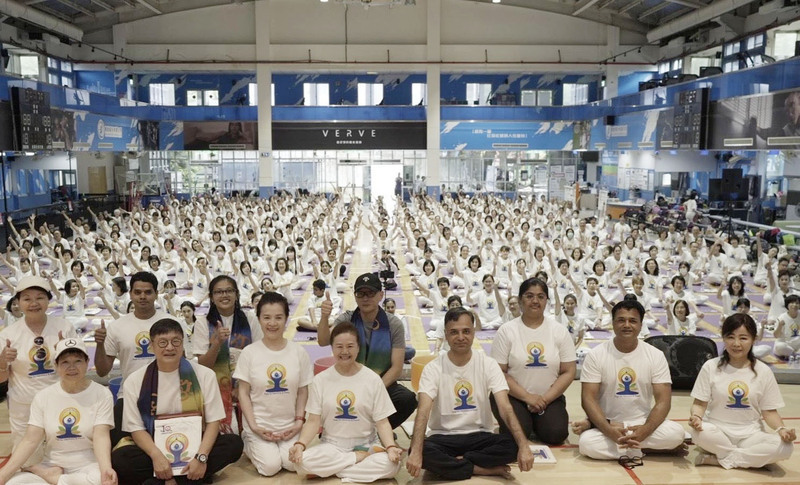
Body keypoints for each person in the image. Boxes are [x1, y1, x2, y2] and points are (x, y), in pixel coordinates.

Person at [406, 307, 534, 481]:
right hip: (443, 437)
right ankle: (479, 468)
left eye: (466, 331)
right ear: (445, 334)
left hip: (479, 435)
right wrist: (416, 452)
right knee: (419, 450)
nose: (460, 337)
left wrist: (524, 446)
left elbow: (505, 408)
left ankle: (454, 465)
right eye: (454, 332)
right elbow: (423, 412)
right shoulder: (433, 368)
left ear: (474, 332)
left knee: (514, 445)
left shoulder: (488, 364)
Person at [111, 318, 244, 485]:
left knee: (233, 444)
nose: (169, 347)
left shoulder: (204, 375)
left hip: (195, 443)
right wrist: (157, 456)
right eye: (162, 342)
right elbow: (136, 428)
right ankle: (189, 479)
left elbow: (213, 422)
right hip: (154, 445)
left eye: (175, 341)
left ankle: (166, 479)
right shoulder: (136, 380)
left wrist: (201, 457)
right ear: (151, 346)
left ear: (183, 345)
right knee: (121, 459)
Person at [288, 322, 402, 482]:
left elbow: (382, 422)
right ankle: (356, 460)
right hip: (332, 446)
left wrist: (390, 447)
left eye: (350, 346)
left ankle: (334, 470)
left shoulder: (372, 379)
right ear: (332, 348)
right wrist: (300, 445)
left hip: (366, 444)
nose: (345, 352)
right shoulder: (321, 380)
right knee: (301, 463)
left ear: (358, 347)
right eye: (339, 347)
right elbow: (313, 421)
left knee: (392, 465)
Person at [577, 299, 685, 460]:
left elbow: (663, 401)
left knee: (676, 433)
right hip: (610, 424)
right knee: (587, 444)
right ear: (612, 324)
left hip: (642, 423)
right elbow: (588, 399)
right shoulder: (596, 355)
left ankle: (628, 447)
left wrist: (645, 430)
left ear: (641, 325)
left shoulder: (655, 355)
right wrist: (608, 430)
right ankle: (646, 449)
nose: (627, 325)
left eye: (633, 321)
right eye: (621, 320)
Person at [0, 338, 116, 485]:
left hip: (88, 465)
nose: (72, 367)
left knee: (98, 480)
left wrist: (106, 469)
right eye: (65, 362)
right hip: (52, 464)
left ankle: (54, 479)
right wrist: (3, 474)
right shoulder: (43, 396)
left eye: (78, 361)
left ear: (87, 363)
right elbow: (30, 440)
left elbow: (101, 436)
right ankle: (53, 476)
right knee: (14, 483)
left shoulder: (101, 393)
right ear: (56, 366)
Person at [690, 313, 795, 469]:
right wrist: (696, 417)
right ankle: (747, 458)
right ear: (723, 338)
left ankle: (721, 458)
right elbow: (699, 403)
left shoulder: (763, 371)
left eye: (743, 338)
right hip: (718, 431)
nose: (736, 343)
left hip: (751, 434)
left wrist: (782, 429)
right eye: (730, 337)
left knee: (786, 447)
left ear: (753, 339)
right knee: (698, 433)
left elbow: (770, 412)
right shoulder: (711, 366)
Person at [316, 272, 416, 429]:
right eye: (361, 294)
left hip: (381, 382)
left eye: (370, 293)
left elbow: (396, 369)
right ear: (355, 297)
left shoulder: (393, 324)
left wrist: (372, 390)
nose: (365, 298)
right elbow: (323, 341)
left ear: (380, 295)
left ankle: (377, 430)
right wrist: (324, 317)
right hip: (348, 380)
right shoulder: (347, 319)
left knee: (407, 399)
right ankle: (353, 429)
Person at [0, 276, 78, 466]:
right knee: (28, 461)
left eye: (40, 297)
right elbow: (2, 378)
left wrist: (66, 356)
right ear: (17, 302)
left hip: (60, 401)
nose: (34, 303)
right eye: (27, 298)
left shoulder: (64, 327)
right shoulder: (8, 335)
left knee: (64, 459)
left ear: (48, 300)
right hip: (24, 405)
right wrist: (2, 362)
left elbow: (79, 370)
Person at [233, 292, 312, 477]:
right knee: (270, 468)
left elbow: (302, 391)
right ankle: (248, 442)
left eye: (278, 317)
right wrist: (253, 426)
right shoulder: (249, 353)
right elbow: (243, 393)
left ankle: (277, 447)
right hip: (260, 425)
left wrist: (299, 422)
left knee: (292, 465)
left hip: (289, 426)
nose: (272, 323)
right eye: (266, 317)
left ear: (286, 319)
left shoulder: (299, 352)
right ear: (259, 319)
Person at [490, 278, 576, 445]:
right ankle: (526, 421)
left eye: (541, 296)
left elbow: (569, 371)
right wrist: (528, 397)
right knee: (518, 433)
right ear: (521, 299)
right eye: (529, 296)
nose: (535, 301)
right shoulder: (507, 331)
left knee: (556, 434)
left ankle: (537, 421)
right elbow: (499, 372)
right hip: (514, 396)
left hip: (549, 397)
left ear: (546, 301)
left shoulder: (559, 331)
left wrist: (544, 399)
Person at [193, 275, 263, 434]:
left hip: (248, 387)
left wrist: (242, 387)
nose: (224, 295)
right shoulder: (203, 323)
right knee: (228, 440)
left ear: (237, 294)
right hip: (216, 391)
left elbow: (260, 358)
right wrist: (216, 343)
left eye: (229, 291)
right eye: (218, 292)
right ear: (211, 297)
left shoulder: (251, 319)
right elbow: (204, 366)